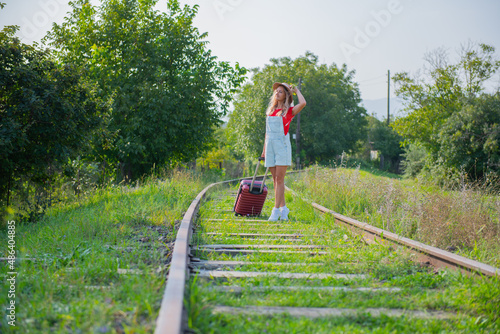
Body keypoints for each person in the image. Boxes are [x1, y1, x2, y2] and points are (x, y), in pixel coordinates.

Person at [261, 82, 306, 221]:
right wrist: (264, 150)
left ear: (286, 95)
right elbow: (266, 133)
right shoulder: (270, 111)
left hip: (282, 147)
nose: (277, 93)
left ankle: (275, 211)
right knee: (275, 180)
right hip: (270, 147)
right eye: (276, 91)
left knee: (280, 179)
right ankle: (284, 209)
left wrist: (296, 91)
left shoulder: (289, 111)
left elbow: (303, 103)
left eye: (280, 91)